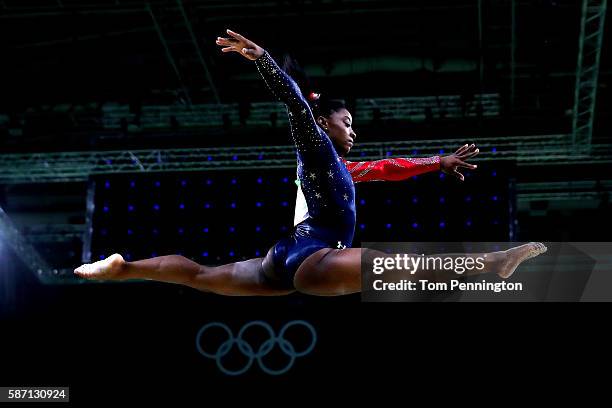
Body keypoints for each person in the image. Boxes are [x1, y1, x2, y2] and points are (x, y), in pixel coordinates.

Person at [74, 29, 547, 296]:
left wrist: (437, 161)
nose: (353, 130)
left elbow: (386, 169)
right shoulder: (316, 147)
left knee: (200, 274)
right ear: (325, 123)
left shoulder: (336, 168)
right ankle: (489, 265)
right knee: (390, 264)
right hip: (314, 254)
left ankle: (125, 268)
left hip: (282, 258)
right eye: (347, 121)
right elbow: (299, 108)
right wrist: (264, 61)